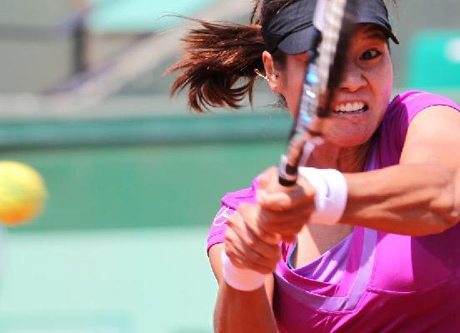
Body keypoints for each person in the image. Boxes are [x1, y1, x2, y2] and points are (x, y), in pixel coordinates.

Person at [167, 0, 460, 331]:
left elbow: (441, 194)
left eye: (369, 55)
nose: (351, 80)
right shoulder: (241, 215)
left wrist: (318, 197)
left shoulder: (423, 118)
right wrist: (244, 271)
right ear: (275, 71)